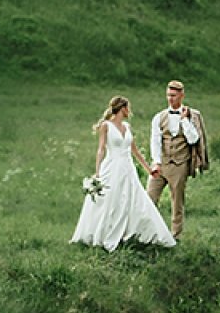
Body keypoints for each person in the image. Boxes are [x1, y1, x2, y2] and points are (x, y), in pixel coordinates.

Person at [71, 96, 177, 250]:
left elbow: (134, 151)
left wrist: (149, 169)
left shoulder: (127, 127)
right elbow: (101, 149)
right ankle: (103, 233)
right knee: (111, 200)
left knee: (133, 199)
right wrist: (98, 172)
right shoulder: (105, 126)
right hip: (112, 167)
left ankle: (135, 233)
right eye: (128, 108)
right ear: (122, 108)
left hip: (128, 169)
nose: (129, 111)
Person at [146, 79, 208, 239]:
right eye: (168, 95)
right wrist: (156, 162)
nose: (170, 99)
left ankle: (175, 236)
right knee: (149, 199)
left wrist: (184, 120)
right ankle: (147, 233)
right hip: (162, 164)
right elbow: (155, 141)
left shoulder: (192, 116)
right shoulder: (159, 117)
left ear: (181, 96)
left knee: (177, 202)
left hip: (180, 164)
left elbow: (194, 139)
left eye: (173, 95)